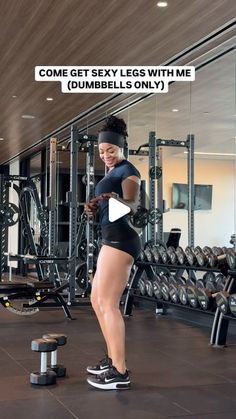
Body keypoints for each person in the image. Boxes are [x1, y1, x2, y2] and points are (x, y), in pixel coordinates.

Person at [85, 115, 141, 390]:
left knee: (108, 304)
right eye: (102, 152)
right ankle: (112, 358)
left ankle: (120, 372)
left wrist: (115, 199)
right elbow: (111, 206)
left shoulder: (129, 171)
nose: (106, 155)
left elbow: (132, 205)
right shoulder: (111, 172)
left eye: (111, 151)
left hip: (121, 241)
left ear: (122, 148)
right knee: (97, 300)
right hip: (111, 238)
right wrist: (94, 207)